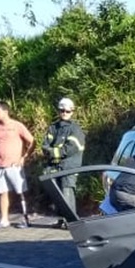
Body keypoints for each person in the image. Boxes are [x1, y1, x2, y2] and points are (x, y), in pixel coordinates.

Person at [0, 101, 35, 229]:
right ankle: (4, 220)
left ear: (5, 111)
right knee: (2, 192)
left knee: (21, 192)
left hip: (14, 165)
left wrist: (23, 157)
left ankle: (26, 218)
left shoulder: (17, 126)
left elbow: (31, 141)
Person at [41, 97, 86, 228]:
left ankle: (71, 222)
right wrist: (53, 151)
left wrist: (53, 152)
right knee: (57, 194)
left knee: (67, 192)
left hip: (69, 167)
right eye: (62, 110)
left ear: (72, 111)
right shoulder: (53, 128)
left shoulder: (75, 130)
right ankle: (61, 219)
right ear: (59, 110)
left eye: (67, 111)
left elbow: (70, 149)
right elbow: (45, 146)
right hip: (54, 166)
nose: (64, 113)